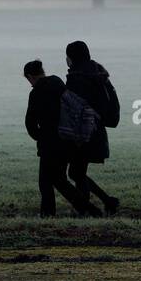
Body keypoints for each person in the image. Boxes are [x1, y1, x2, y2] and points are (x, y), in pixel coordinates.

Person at [23, 59, 100, 217]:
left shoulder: (36, 92)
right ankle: (88, 210)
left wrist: (39, 137)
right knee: (59, 180)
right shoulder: (57, 82)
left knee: (47, 182)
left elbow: (30, 123)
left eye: (28, 79)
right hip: (68, 140)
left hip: (49, 144)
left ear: (30, 76)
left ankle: (50, 214)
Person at [64, 41, 121, 215]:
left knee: (76, 172)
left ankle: (87, 209)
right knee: (77, 172)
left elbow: (74, 107)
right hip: (97, 130)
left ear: (71, 58)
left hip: (83, 132)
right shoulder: (97, 73)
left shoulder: (77, 78)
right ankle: (105, 202)